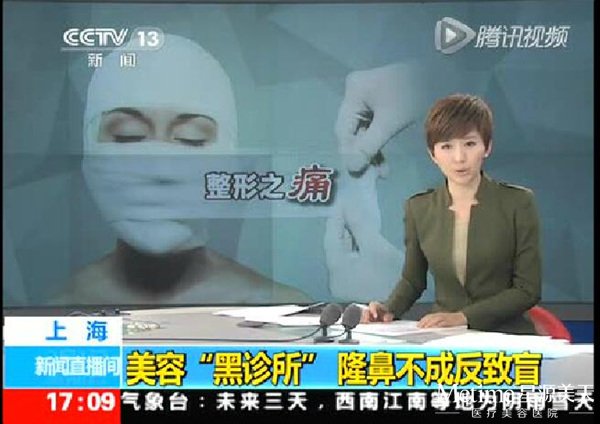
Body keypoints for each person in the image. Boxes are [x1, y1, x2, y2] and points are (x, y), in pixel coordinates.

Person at [54, 34, 312, 305]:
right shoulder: (54, 308)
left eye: (192, 139)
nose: (160, 167)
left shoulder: (280, 308)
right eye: (128, 136)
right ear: (89, 156)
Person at [360, 93, 542, 334]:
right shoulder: (419, 208)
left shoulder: (518, 202)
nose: (459, 158)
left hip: (507, 335)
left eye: (470, 144)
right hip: (444, 337)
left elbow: (527, 290)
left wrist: (463, 317)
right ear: (433, 154)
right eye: (446, 146)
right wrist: (388, 308)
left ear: (487, 147)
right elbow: (413, 281)